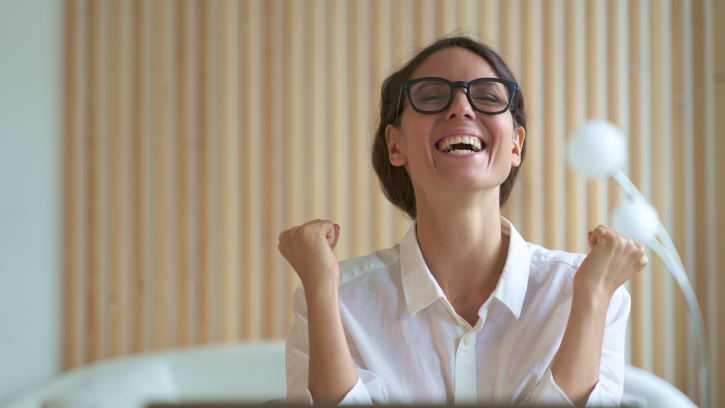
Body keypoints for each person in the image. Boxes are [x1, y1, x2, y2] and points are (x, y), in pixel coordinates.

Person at [278, 36, 647, 407]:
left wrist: (593, 296)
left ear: (516, 145)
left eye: (487, 97)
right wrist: (322, 291)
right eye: (431, 96)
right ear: (396, 145)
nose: (460, 108)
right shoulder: (335, 299)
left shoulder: (590, 290)